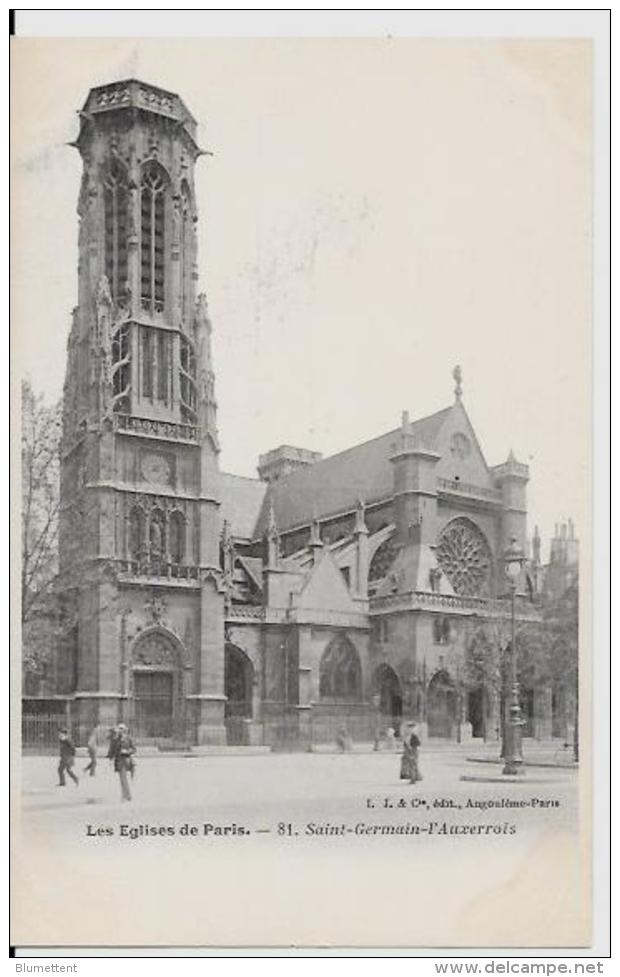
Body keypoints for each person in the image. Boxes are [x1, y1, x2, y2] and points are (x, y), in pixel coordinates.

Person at [107, 723, 136, 802]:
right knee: (122, 779)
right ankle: (125, 795)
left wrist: (127, 751)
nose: (121, 731)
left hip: (126, 760)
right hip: (119, 761)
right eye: (119, 729)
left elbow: (134, 749)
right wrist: (110, 757)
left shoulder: (128, 738)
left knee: (124, 779)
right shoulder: (116, 739)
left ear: (125, 730)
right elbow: (112, 750)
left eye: (122, 729)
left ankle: (127, 796)